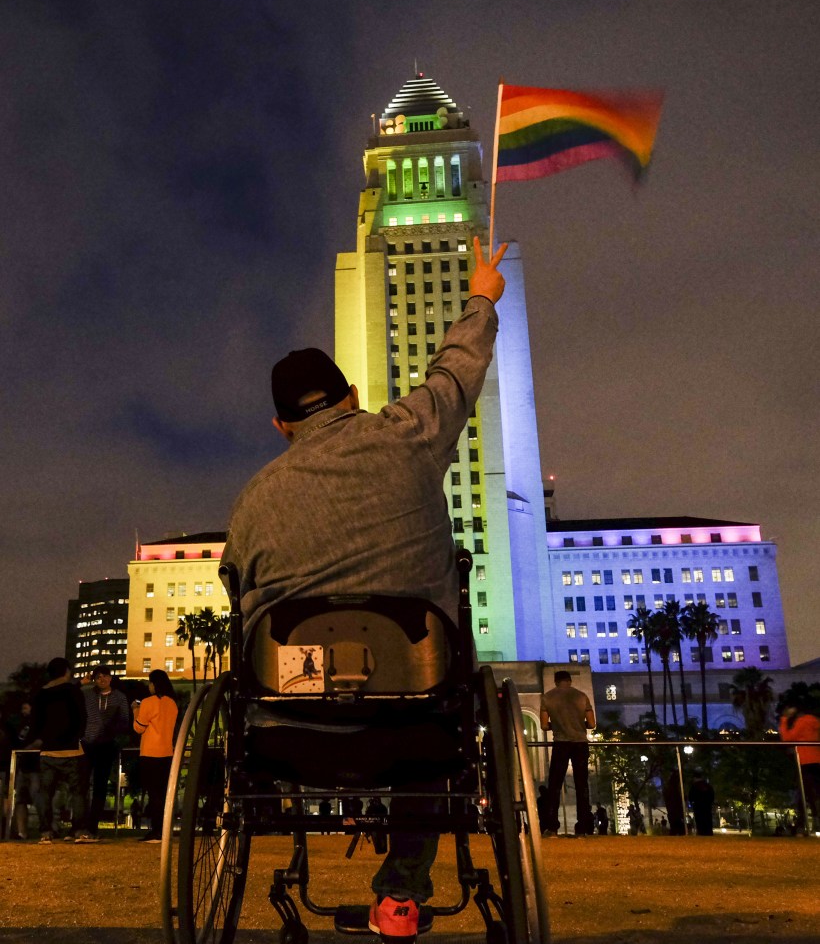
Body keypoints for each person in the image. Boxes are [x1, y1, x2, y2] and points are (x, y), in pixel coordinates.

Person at [224, 236, 508, 943]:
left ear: (279, 426)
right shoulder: (406, 434)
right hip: (418, 719)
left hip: (293, 731)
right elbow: (454, 374)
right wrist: (482, 295)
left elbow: (238, 594)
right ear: (352, 396)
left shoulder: (253, 500)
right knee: (427, 719)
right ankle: (402, 894)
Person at [29, 657, 96, 843]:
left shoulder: (41, 694)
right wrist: (78, 736)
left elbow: (35, 723)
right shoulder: (72, 691)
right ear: (66, 671)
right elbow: (81, 717)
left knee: (45, 793)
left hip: (48, 751)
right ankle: (79, 830)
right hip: (72, 750)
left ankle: (45, 832)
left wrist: (39, 740)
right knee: (78, 792)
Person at [539, 670, 596, 837]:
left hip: (561, 744)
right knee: (582, 785)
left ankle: (552, 827)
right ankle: (582, 827)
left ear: (556, 681)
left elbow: (543, 725)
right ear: (570, 681)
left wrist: (556, 725)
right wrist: (578, 724)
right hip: (580, 744)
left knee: (555, 785)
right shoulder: (581, 696)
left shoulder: (548, 697)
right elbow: (591, 724)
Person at [82, 665, 130, 837]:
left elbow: (125, 720)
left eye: (105, 676)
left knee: (100, 785)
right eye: (98, 677)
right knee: (81, 784)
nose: (102, 680)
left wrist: (113, 736)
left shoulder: (119, 697)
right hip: (87, 743)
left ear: (110, 678)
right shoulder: (87, 695)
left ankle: (92, 826)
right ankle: (79, 824)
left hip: (107, 744)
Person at [131, 669, 178, 843]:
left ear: (154, 684)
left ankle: (156, 831)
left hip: (150, 752)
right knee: (163, 793)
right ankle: (164, 829)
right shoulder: (172, 703)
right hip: (167, 752)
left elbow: (138, 727)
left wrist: (135, 710)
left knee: (154, 794)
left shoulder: (148, 702)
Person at [779, 703, 820, 832]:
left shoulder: (802, 722)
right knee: (816, 792)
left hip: (804, 761)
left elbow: (787, 738)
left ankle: (803, 824)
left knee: (803, 794)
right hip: (817, 759)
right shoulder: (816, 721)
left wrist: (784, 720)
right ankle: (815, 819)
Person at [4, 701, 39, 840]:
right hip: (22, 767)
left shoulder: (37, 723)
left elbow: (40, 741)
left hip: (35, 766)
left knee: (37, 797)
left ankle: (47, 828)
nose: (23, 711)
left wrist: (24, 751)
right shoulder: (19, 724)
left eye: (26, 707)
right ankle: (21, 831)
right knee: (20, 800)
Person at [688, 769, 715, 836]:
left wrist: (692, 802)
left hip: (698, 806)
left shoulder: (694, 786)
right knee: (708, 820)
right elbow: (712, 795)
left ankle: (701, 833)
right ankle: (709, 833)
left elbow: (690, 797)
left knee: (700, 821)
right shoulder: (708, 786)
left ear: (694, 778)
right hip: (707, 806)